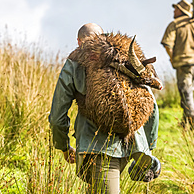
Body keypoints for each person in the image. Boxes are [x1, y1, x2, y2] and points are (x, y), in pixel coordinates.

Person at [49, 23, 160, 194]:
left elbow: (57, 117)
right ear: (103, 35)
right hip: (132, 144)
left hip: (97, 147)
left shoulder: (75, 61)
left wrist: (63, 146)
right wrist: (148, 147)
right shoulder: (123, 53)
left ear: (78, 41)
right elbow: (152, 105)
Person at [161, 0, 194, 130]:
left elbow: (167, 44)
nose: (173, 10)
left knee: (185, 91)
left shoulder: (175, 24)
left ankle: (192, 118)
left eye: (176, 8)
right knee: (188, 91)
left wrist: (172, 59)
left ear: (181, 11)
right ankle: (184, 121)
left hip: (185, 64)